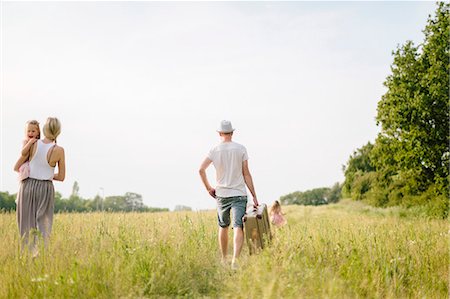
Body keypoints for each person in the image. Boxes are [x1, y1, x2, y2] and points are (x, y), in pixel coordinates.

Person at [199, 120, 258, 270]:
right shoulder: (241, 149)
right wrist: (254, 196)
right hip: (239, 193)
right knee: (238, 226)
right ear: (232, 132)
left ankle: (224, 259)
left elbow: (201, 169)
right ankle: (235, 261)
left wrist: (208, 188)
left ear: (219, 133)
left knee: (223, 226)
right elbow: (246, 174)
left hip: (222, 194)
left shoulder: (214, 150)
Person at [14, 117, 66, 255]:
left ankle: (26, 255)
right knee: (44, 225)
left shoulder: (33, 144)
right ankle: (40, 256)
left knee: (26, 224)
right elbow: (61, 177)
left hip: (27, 186)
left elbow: (17, 166)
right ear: (58, 131)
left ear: (43, 129)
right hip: (46, 188)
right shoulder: (59, 150)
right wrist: (48, 175)